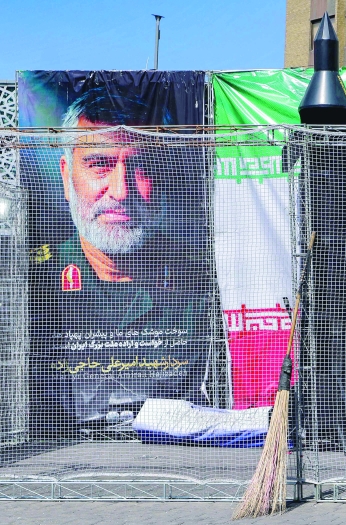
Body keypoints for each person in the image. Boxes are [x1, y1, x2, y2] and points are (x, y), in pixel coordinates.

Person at [29, 87, 214, 433]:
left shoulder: (203, 280)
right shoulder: (34, 283)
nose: (121, 190)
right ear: (66, 176)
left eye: (140, 165)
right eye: (100, 164)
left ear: (162, 178)